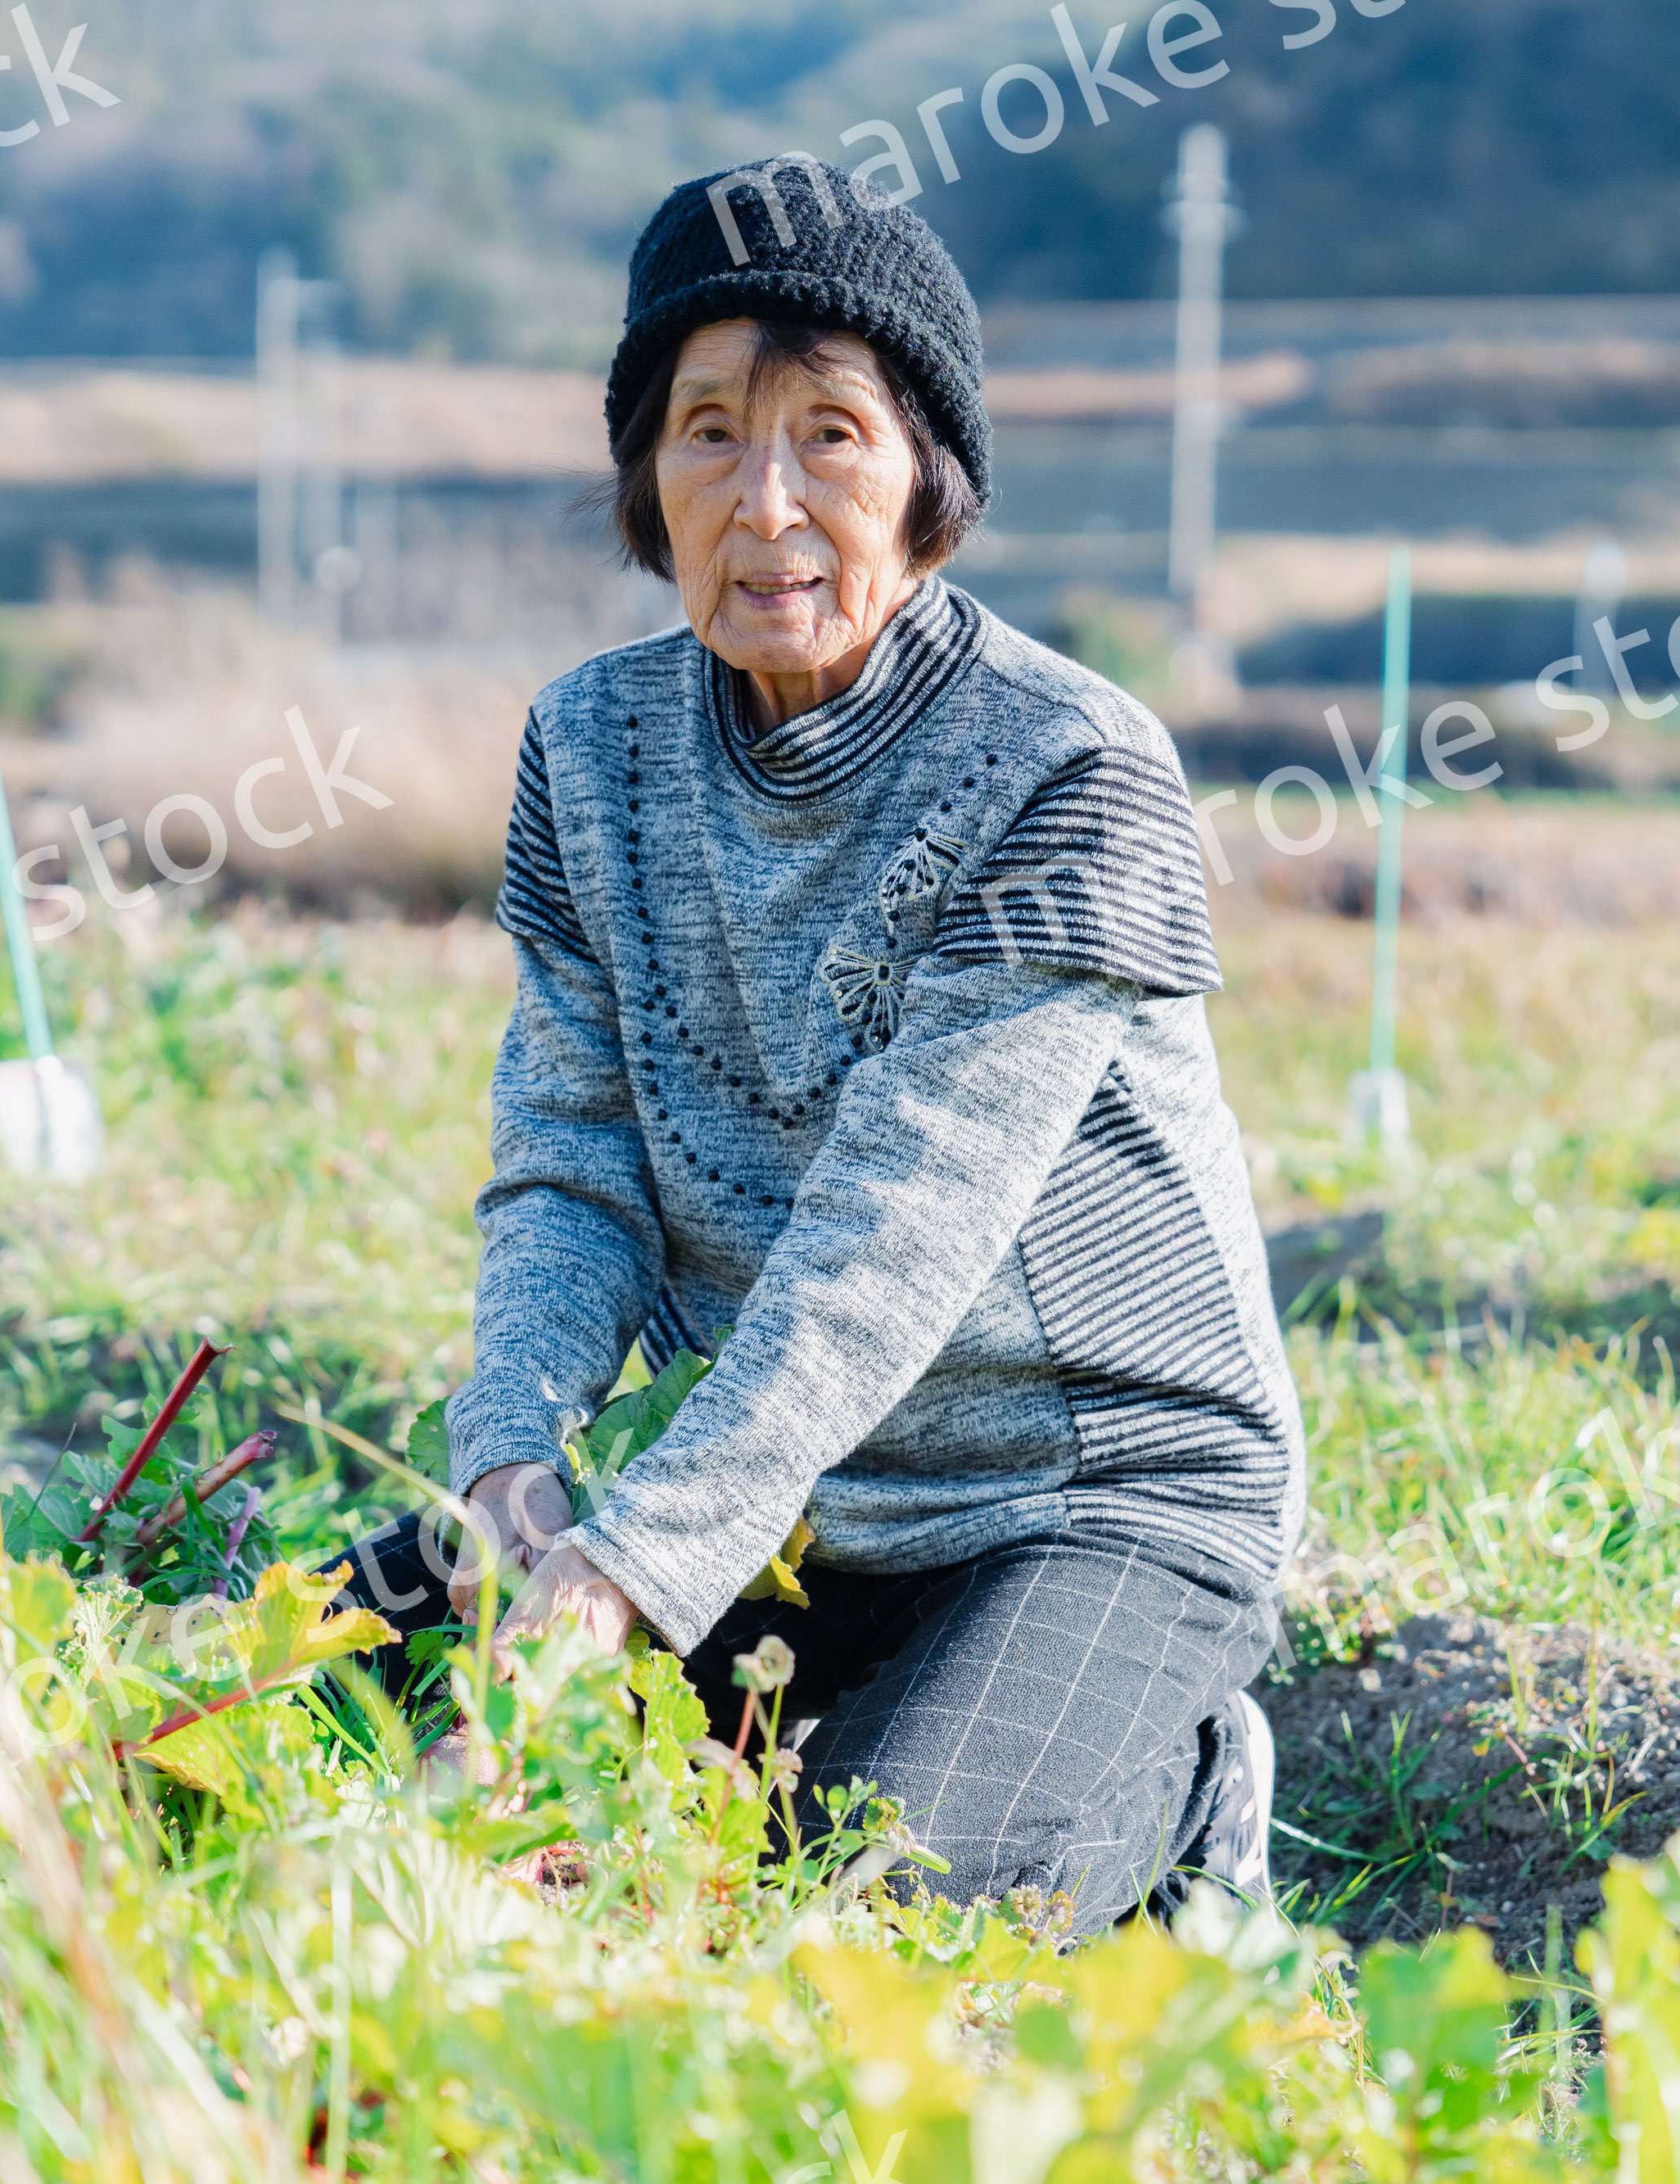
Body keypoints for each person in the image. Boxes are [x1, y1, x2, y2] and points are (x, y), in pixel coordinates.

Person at [337, 157, 1303, 1933]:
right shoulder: (591, 746)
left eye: (831, 436)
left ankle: (1185, 1777)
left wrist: (622, 1577)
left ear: (928, 480)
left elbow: (891, 1243)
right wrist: (512, 1463)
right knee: (314, 1688)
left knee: (863, 1905)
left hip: (1083, 1494)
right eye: (707, 431)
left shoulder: (1067, 767)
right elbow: (570, 1160)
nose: (764, 499)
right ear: (647, 476)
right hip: (783, 1493)